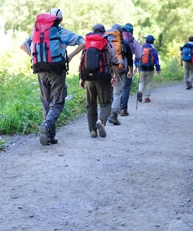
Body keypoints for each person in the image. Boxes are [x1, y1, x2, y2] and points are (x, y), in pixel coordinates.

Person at [20, 8, 86, 146]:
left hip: (40, 69)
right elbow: (83, 42)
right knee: (57, 102)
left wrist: (34, 59)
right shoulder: (61, 32)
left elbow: (23, 46)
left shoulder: (37, 31)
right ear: (60, 20)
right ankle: (47, 125)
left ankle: (50, 136)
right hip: (57, 70)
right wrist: (71, 56)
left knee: (46, 102)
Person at [79, 24, 120, 138]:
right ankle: (101, 121)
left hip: (89, 79)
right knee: (105, 103)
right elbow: (115, 61)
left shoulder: (87, 43)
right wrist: (115, 77)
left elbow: (82, 61)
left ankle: (92, 130)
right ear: (104, 32)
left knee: (90, 104)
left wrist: (81, 78)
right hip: (103, 78)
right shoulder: (107, 43)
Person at [108, 24, 133, 125]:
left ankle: (105, 113)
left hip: (107, 70)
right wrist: (130, 71)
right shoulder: (125, 43)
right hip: (121, 70)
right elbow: (130, 59)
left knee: (109, 92)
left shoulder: (107, 41)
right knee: (117, 93)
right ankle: (113, 114)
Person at [119, 23, 142, 116]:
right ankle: (123, 109)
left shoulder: (116, 40)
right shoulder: (134, 42)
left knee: (116, 88)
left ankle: (115, 108)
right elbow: (139, 56)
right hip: (128, 66)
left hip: (115, 65)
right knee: (126, 87)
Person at [137, 35, 161, 103]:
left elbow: (137, 58)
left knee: (141, 82)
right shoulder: (153, 49)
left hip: (142, 68)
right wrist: (158, 69)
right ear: (152, 41)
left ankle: (140, 91)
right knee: (149, 83)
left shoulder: (141, 48)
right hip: (150, 69)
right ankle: (147, 98)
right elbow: (156, 60)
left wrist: (136, 66)